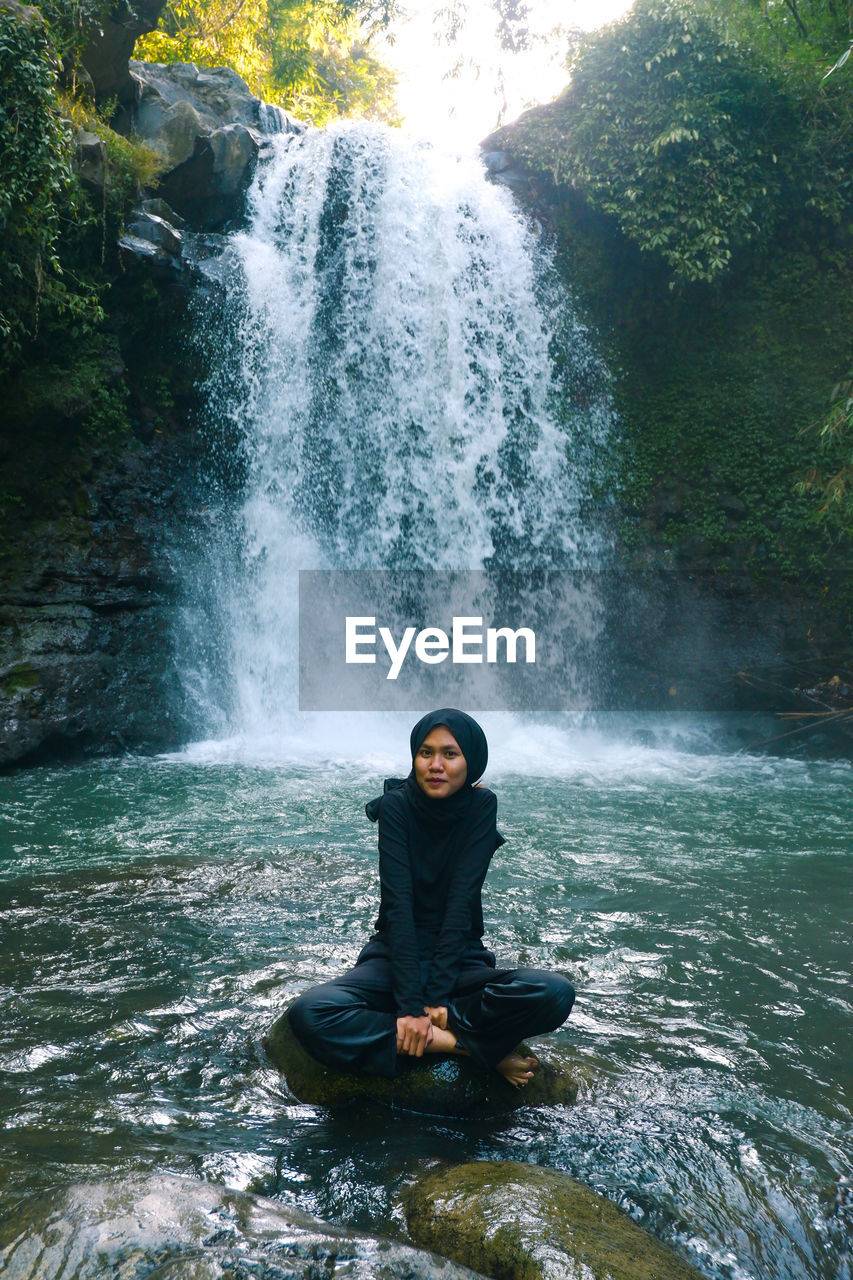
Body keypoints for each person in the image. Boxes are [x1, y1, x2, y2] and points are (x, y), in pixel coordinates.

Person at [288, 708, 575, 1086]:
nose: (435, 765)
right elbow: (398, 906)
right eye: (426, 753)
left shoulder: (481, 807)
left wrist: (437, 999)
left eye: (450, 754)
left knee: (555, 992)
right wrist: (411, 1008)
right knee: (310, 1013)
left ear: (471, 762)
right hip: (393, 957)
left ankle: (426, 1034)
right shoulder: (396, 806)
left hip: (459, 961)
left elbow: (461, 904)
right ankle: (464, 1046)